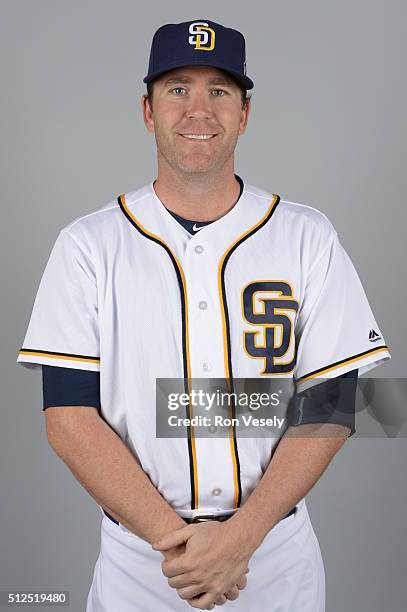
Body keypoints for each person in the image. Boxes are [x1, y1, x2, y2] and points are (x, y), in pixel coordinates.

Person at [17, 19, 391, 612]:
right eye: (178, 89)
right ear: (147, 110)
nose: (199, 109)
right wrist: (185, 549)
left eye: (219, 91)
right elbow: (67, 418)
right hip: (142, 563)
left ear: (245, 113)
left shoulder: (306, 236)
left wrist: (239, 541)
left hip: (274, 555)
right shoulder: (88, 245)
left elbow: (338, 399)